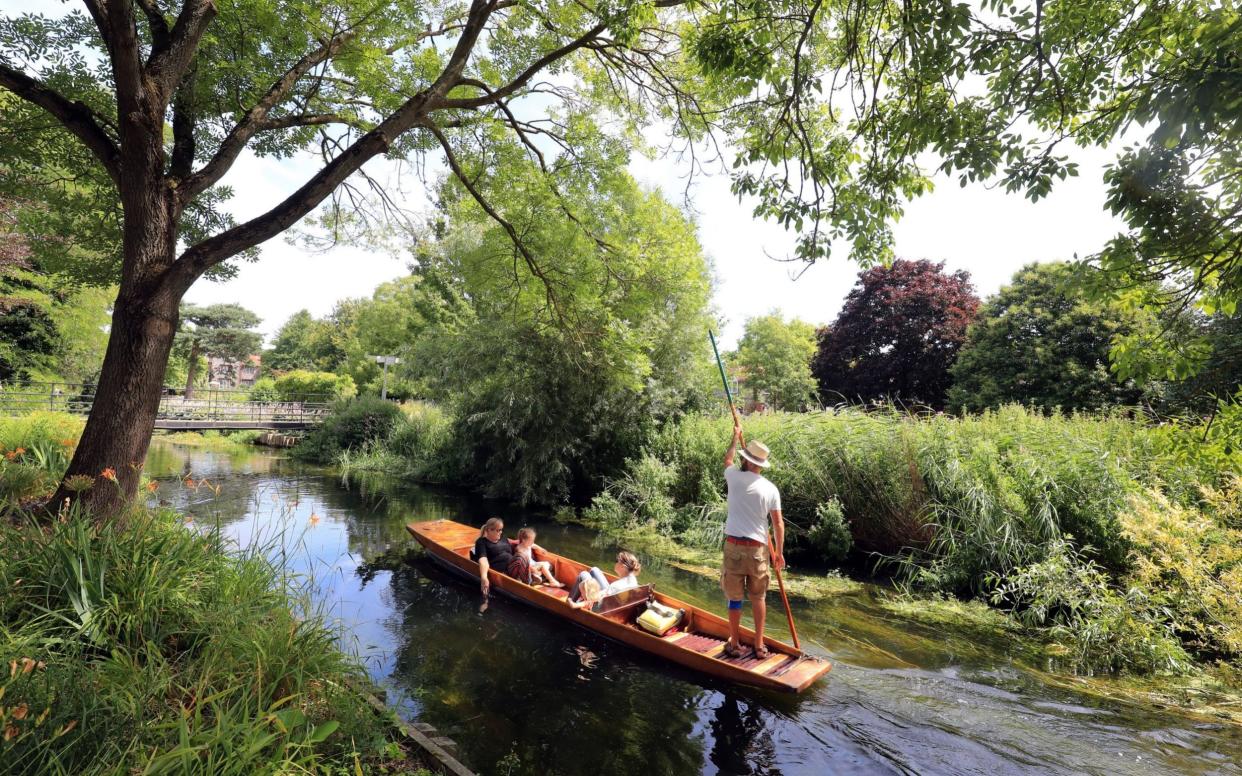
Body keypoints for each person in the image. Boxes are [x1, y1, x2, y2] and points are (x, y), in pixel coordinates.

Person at [721, 426, 784, 659]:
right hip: (759, 550)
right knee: (758, 598)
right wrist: (779, 553)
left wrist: (735, 437)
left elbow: (728, 459)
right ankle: (759, 646)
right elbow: (778, 525)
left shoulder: (733, 477)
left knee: (735, 599)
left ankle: (735, 644)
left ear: (745, 460)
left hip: (734, 547)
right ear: (761, 463)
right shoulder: (771, 489)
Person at [568, 550, 642, 604]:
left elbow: (597, 599)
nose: (615, 563)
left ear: (623, 567)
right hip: (610, 596)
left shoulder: (616, 586)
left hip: (602, 604)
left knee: (583, 574)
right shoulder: (632, 579)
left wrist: (582, 600)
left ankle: (568, 603)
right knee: (594, 570)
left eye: (617, 561)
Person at [472, 517, 516, 595]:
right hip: (501, 571)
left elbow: (514, 547)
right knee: (522, 559)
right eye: (498, 530)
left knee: (521, 557)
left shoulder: (503, 539)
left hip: (512, 566)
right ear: (489, 530)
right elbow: (483, 560)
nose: (500, 532)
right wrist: (484, 577)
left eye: (501, 530)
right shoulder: (481, 542)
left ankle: (530, 575)